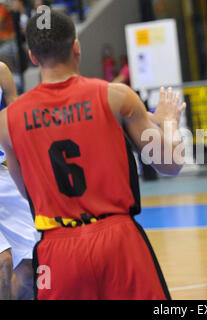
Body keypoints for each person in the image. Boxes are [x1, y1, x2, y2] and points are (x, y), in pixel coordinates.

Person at [0, 11, 186, 300]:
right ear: (76, 46)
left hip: (57, 249)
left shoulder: (8, 121)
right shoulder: (117, 97)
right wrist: (169, 120)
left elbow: (26, 192)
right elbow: (170, 164)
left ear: (32, 57)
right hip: (117, 239)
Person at [0, 61, 40, 300]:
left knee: (28, 268)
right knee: (3, 262)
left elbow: (15, 119)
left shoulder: (1, 71)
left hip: (6, 179)